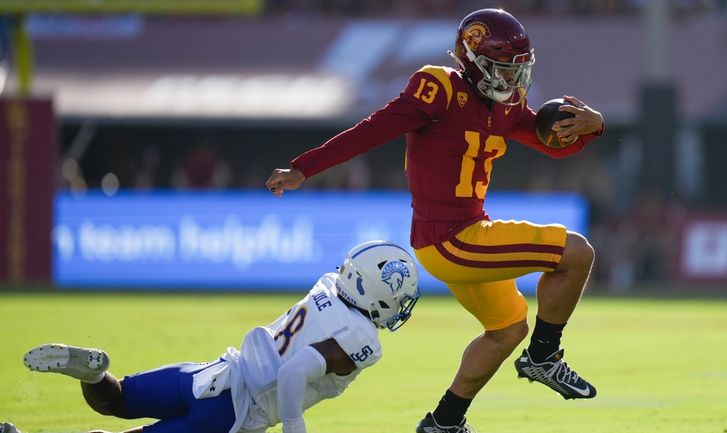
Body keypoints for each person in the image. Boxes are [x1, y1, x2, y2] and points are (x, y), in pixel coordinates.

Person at [265, 8, 604, 433]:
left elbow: (551, 144)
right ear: (473, 60)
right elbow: (373, 129)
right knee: (576, 252)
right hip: (452, 237)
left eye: (517, 71)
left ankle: (443, 422)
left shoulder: (507, 104)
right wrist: (304, 168)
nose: (512, 82)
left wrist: (593, 127)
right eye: (501, 69)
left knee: (506, 328)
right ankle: (544, 355)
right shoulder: (439, 87)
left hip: (462, 236)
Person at [7, 240, 421, 433]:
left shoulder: (330, 283)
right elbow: (296, 371)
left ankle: (93, 375)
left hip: (213, 372)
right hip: (232, 413)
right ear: (379, 294)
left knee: (116, 400)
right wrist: (294, 425)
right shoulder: (361, 337)